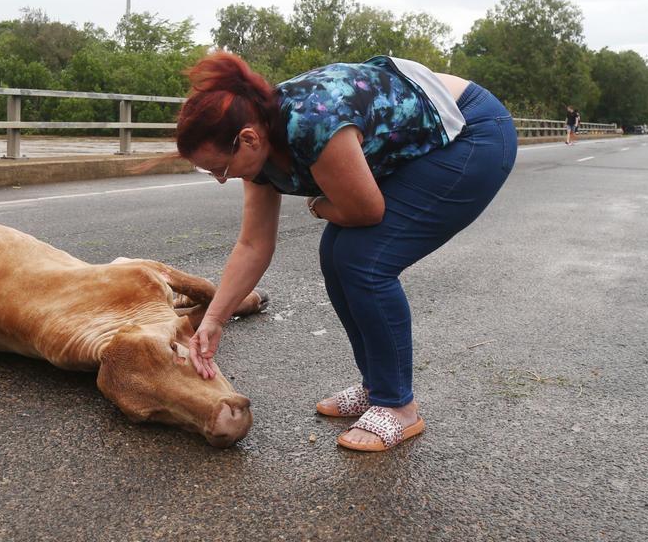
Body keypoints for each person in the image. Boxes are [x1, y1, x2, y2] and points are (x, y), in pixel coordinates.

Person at [174, 52, 517, 452]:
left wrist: (319, 206)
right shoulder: (258, 148)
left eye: (219, 168)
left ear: (248, 138)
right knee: (336, 254)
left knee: (364, 260)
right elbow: (253, 244)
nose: (220, 179)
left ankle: (399, 406)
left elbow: (365, 211)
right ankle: (377, 386)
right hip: (430, 133)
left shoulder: (311, 122)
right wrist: (214, 319)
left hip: (473, 131)